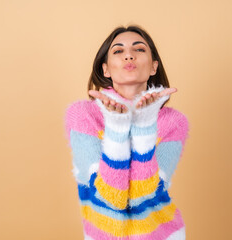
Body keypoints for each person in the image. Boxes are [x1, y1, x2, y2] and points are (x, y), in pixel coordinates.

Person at [65, 25, 189, 240]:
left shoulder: (173, 122)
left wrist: (145, 125)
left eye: (139, 50)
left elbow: (143, 197)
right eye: (118, 50)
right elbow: (109, 199)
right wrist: (117, 128)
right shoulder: (82, 115)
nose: (129, 55)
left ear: (153, 67)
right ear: (106, 69)